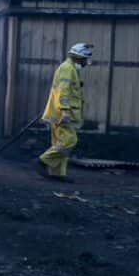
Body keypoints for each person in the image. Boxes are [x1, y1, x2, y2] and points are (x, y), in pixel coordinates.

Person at [37, 42, 93, 181]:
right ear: (78, 57)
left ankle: (57, 174)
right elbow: (63, 92)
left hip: (60, 113)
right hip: (62, 114)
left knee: (60, 145)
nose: (86, 62)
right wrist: (65, 111)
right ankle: (42, 161)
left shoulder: (71, 68)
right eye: (85, 59)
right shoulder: (68, 69)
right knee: (69, 141)